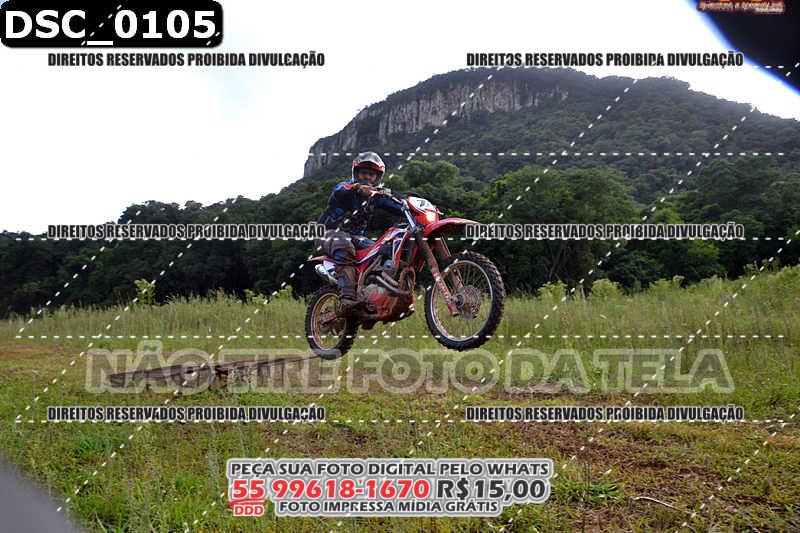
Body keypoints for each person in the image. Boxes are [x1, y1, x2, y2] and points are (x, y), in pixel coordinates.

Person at [316, 152, 403, 312]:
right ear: (356, 173)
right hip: (328, 233)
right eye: (364, 173)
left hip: (356, 237)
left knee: (382, 251)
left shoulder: (377, 197)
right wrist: (357, 189)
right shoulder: (345, 188)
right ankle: (347, 298)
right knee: (345, 245)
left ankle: (371, 294)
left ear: (377, 177)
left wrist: (415, 208)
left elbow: (398, 207)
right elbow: (340, 191)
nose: (367, 177)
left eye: (371, 174)